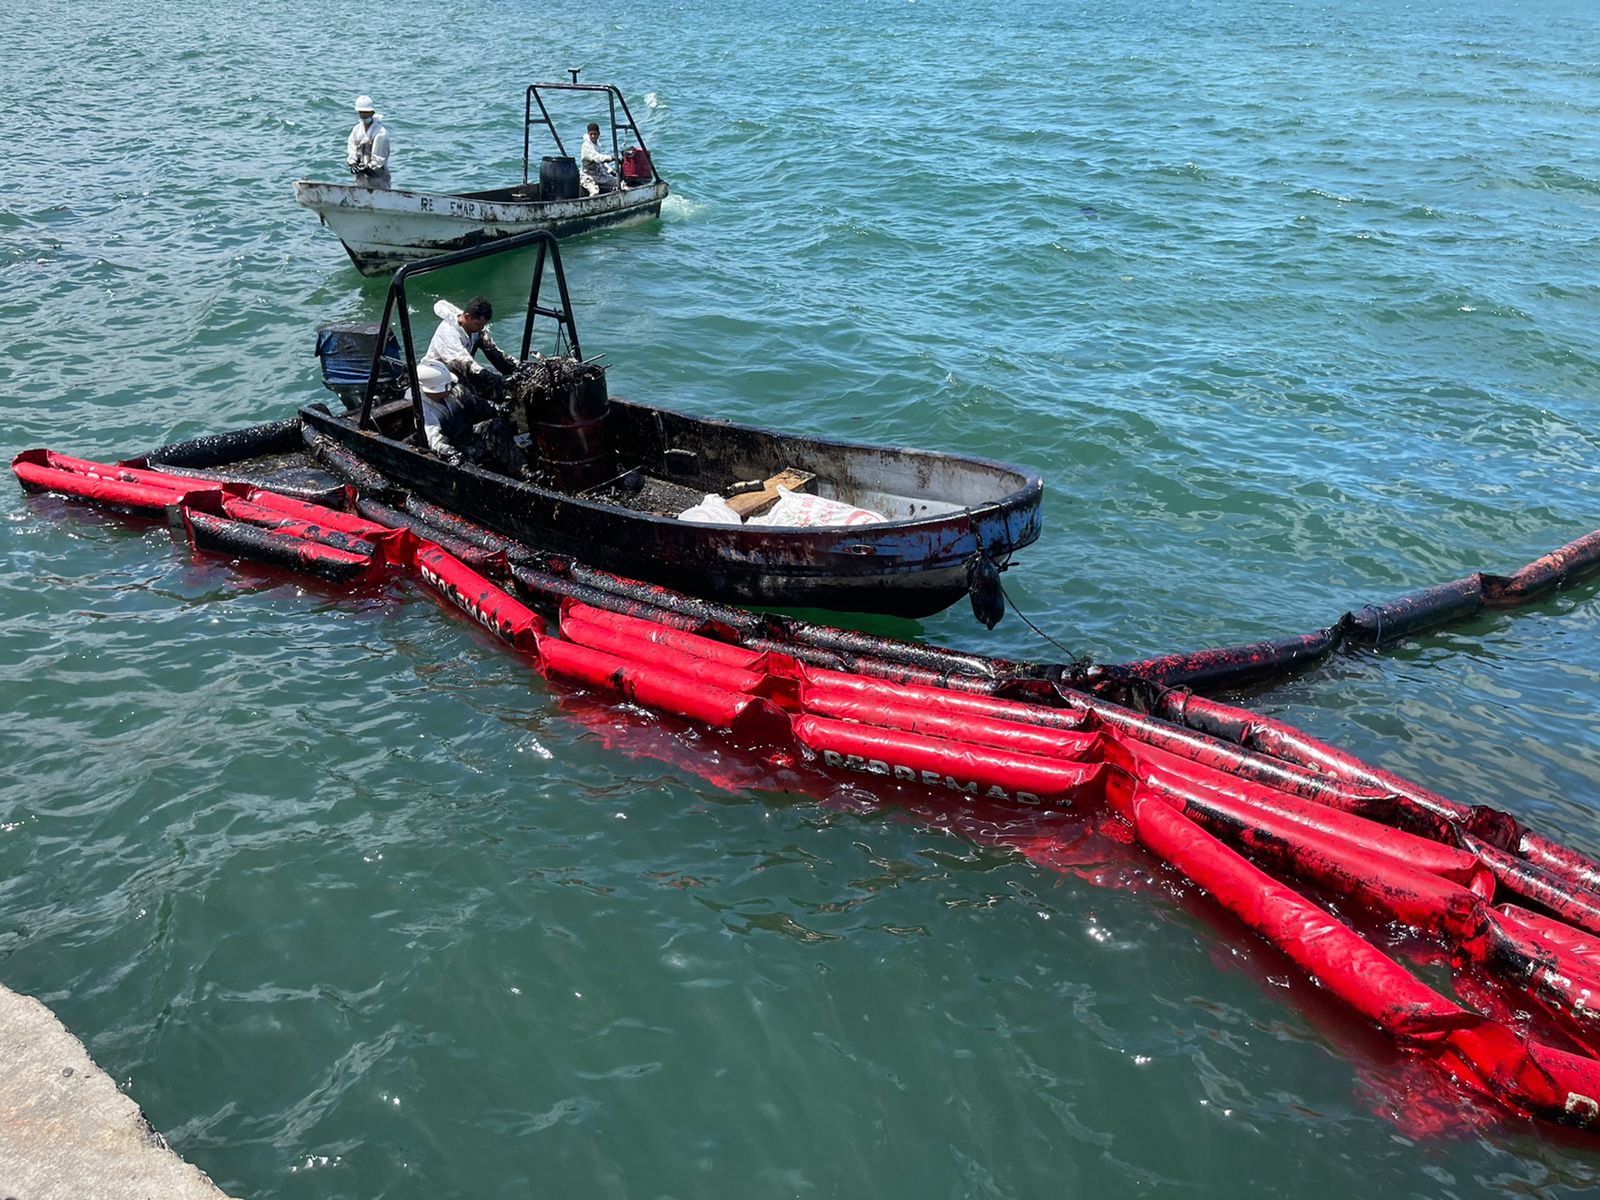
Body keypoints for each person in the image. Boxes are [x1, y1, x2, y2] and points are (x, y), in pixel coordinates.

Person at [413, 359, 521, 475]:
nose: (449, 390)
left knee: (496, 425)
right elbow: (434, 439)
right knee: (463, 464)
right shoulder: (423, 409)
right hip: (456, 447)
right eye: (445, 388)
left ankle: (519, 469)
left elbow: (479, 405)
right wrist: (450, 453)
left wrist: (501, 410)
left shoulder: (454, 391)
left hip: (469, 435)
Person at [426, 297, 519, 399]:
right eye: (478, 324)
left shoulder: (476, 329)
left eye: (483, 325)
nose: (481, 328)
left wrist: (516, 368)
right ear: (466, 317)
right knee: (472, 398)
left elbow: (494, 351)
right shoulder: (448, 332)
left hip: (461, 372)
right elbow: (464, 362)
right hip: (439, 377)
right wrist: (495, 380)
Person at [346, 95, 391, 189]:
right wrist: (352, 164)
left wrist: (368, 168)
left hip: (378, 178)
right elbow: (352, 148)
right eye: (361, 112)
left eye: (366, 112)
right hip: (361, 178)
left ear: (372, 112)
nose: (363, 115)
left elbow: (379, 159)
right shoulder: (356, 130)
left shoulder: (380, 132)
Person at [579, 122, 618, 196]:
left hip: (598, 174)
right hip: (588, 176)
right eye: (591, 134)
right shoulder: (586, 146)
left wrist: (610, 170)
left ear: (598, 134)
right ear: (588, 134)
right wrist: (611, 158)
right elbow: (597, 158)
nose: (593, 136)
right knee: (594, 192)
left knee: (617, 182)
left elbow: (601, 164)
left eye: (595, 134)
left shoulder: (597, 145)